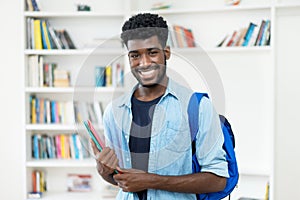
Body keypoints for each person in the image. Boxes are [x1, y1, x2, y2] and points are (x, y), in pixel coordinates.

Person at [91, 13, 229, 200]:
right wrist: (103, 170)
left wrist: (151, 181)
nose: (144, 63)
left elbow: (218, 179)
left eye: (152, 52)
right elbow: (121, 179)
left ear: (167, 52)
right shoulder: (115, 111)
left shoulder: (198, 107)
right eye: (135, 55)